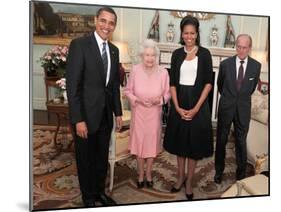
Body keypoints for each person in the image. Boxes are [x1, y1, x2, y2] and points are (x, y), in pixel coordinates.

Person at [66, 7, 122, 207]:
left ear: (114, 26)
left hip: (106, 116)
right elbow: (73, 86)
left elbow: (114, 85)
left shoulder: (114, 51)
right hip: (86, 118)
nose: (107, 26)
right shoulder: (80, 45)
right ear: (95, 20)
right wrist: (78, 119)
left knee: (101, 159)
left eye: (111, 23)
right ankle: (88, 198)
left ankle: (99, 192)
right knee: (85, 160)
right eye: (103, 21)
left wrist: (118, 113)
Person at [163, 15, 213, 200]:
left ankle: (190, 181)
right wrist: (176, 106)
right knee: (180, 144)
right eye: (186, 33)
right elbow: (173, 83)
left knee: (193, 146)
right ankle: (180, 177)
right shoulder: (176, 54)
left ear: (197, 33)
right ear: (181, 34)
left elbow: (208, 83)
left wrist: (196, 109)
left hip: (198, 105)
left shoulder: (205, 54)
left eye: (192, 33)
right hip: (180, 103)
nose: (189, 37)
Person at [214, 34, 261, 184]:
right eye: (238, 46)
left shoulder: (256, 66)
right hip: (226, 107)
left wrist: (239, 99)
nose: (241, 50)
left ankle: (240, 174)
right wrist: (229, 98)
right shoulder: (225, 64)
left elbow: (251, 88)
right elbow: (220, 85)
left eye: (244, 47)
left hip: (243, 109)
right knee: (221, 140)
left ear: (250, 48)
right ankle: (218, 171)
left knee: (241, 142)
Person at [124, 39, 170, 189]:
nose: (149, 58)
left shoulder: (163, 73)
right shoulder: (135, 70)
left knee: (151, 146)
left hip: (154, 114)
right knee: (139, 145)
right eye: (146, 55)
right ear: (142, 56)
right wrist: (136, 100)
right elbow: (127, 91)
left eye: (152, 55)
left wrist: (160, 100)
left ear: (156, 56)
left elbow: (167, 94)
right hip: (138, 113)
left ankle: (149, 174)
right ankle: (140, 174)